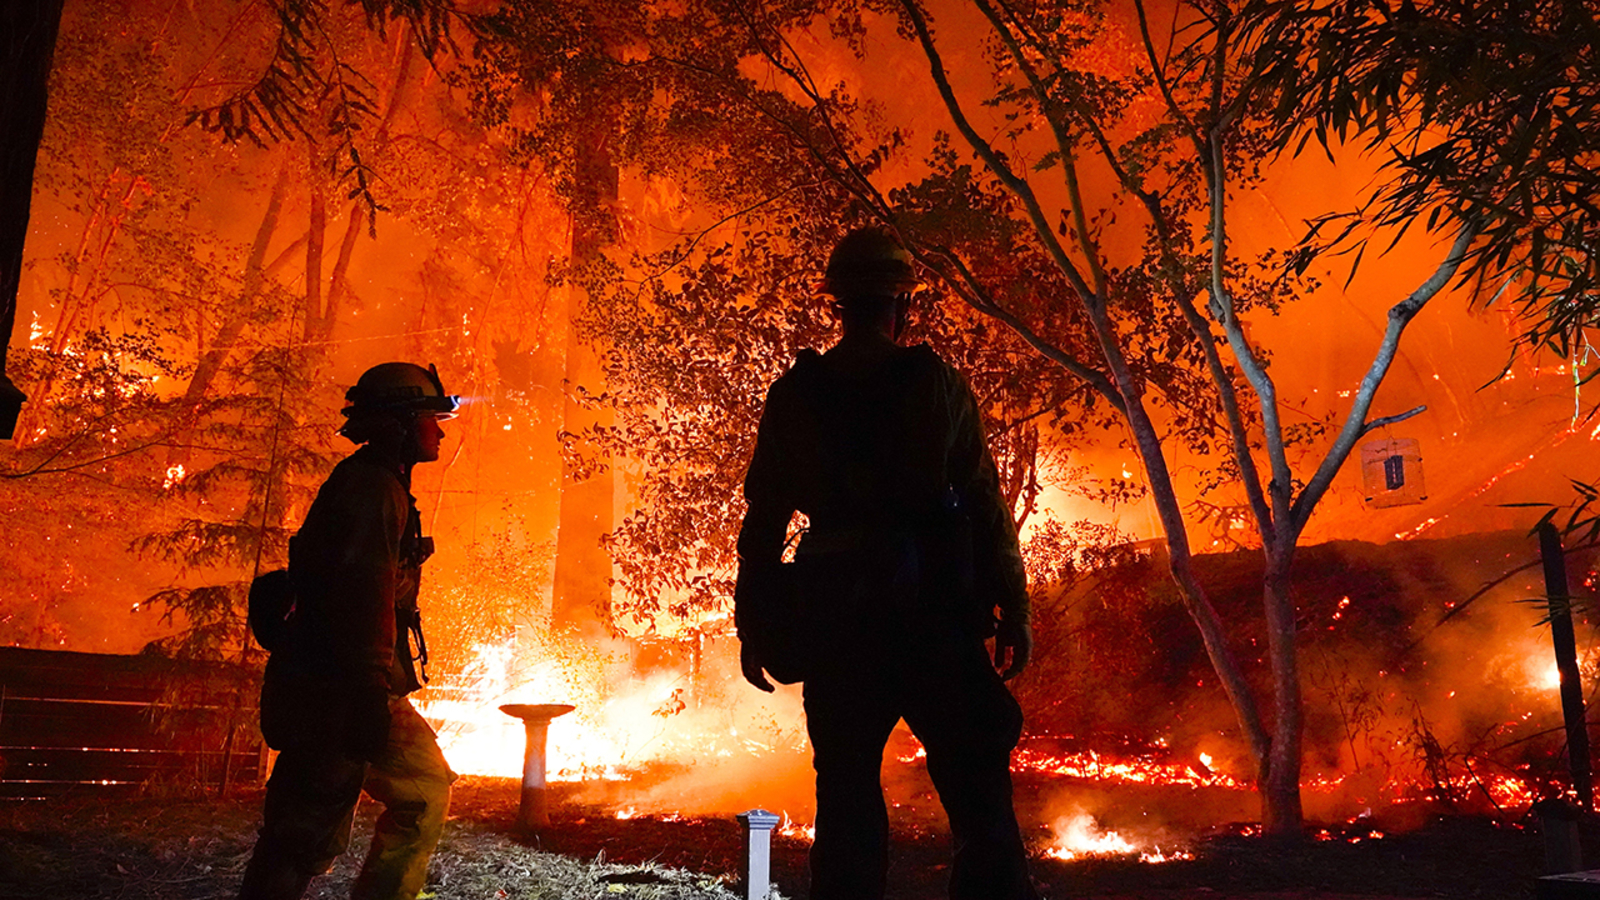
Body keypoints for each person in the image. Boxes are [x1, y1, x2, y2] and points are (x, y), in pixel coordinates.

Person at [734, 228, 1037, 900]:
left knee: (845, 808)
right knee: (979, 803)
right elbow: (986, 509)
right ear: (904, 304)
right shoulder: (938, 389)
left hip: (840, 623)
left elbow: (769, 524)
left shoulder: (796, 396)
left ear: (835, 305)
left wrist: (756, 620)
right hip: (935, 622)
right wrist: (1013, 608)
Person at [239, 362, 460, 900]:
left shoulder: (381, 485)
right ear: (398, 424)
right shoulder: (370, 491)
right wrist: (364, 694)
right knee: (303, 833)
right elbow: (363, 598)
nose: (441, 430)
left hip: (363, 686)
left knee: (423, 790)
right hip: (334, 691)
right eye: (430, 418)